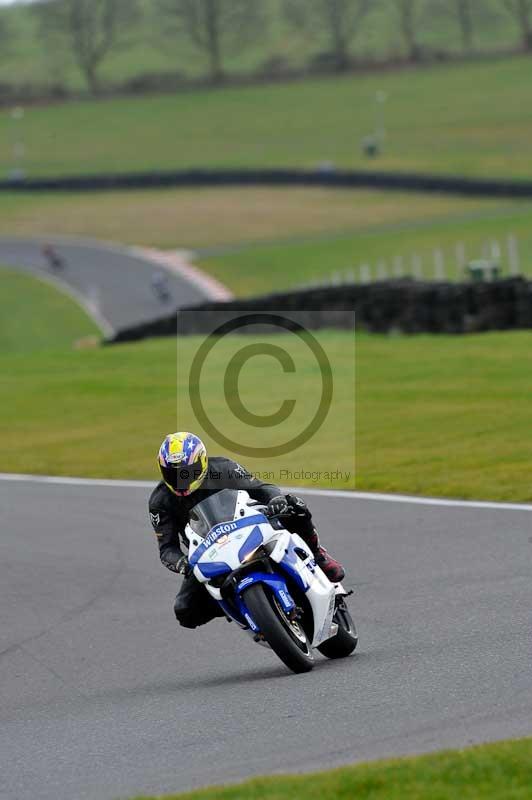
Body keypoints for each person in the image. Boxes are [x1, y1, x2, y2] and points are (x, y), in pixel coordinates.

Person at [148, 432, 346, 629]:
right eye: (173, 474)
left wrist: (275, 500)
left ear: (202, 461)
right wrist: (182, 564)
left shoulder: (223, 468)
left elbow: (261, 488)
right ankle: (237, 604)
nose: (181, 479)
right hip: (209, 554)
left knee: (294, 505)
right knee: (184, 611)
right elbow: (167, 549)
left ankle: (318, 555)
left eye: (187, 471)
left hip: (248, 526)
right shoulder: (160, 501)